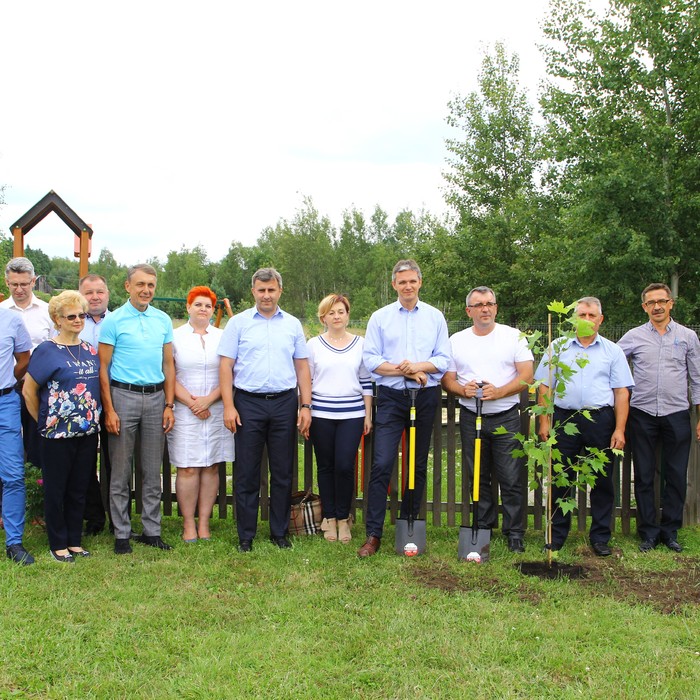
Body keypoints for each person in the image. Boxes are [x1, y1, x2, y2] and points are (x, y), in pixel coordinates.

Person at [358, 259, 451, 557]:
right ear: (394, 285)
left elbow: (443, 360)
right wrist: (407, 372)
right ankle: (373, 534)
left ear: (419, 283)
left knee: (417, 464)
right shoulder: (380, 317)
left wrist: (418, 367)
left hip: (425, 397)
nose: (407, 286)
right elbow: (371, 360)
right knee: (383, 463)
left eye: (412, 281)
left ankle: (409, 526)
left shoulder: (435, 317)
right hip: (391, 398)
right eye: (402, 282)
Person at [219, 268, 312, 552]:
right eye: (261, 290)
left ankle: (279, 532)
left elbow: (302, 366)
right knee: (247, 472)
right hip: (248, 403)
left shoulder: (293, 324)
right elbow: (225, 365)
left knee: (283, 472)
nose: (266, 295)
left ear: (279, 291)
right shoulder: (238, 323)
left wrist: (305, 405)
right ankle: (245, 535)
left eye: (271, 290)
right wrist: (228, 406)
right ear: (253, 292)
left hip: (285, 402)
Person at [535, 297, 633, 556]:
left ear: (600, 320)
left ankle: (600, 537)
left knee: (602, 480)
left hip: (600, 420)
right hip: (565, 419)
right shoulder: (558, 347)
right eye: (582, 315)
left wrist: (619, 429)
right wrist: (544, 421)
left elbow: (621, 392)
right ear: (573, 319)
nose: (587, 319)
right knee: (561, 477)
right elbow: (544, 385)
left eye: (592, 315)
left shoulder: (612, 351)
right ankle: (556, 536)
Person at [441, 286, 533, 553]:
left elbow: (526, 374)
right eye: (479, 304)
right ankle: (483, 525)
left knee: (511, 476)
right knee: (478, 475)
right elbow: (448, 379)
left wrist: (499, 392)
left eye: (490, 304)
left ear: (496, 308)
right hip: (472, 416)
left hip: (506, 417)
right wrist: (462, 389)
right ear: (469, 310)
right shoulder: (456, 340)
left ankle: (514, 531)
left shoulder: (513, 336)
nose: (485, 309)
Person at [98, 264, 176, 554]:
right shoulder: (114, 321)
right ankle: (121, 534)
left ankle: (152, 531)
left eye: (151, 285)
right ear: (127, 287)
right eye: (140, 284)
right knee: (120, 471)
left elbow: (168, 364)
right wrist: (109, 409)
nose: (146, 290)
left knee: (151, 470)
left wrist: (169, 404)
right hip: (123, 396)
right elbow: (103, 369)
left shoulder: (163, 320)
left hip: (156, 398)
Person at [618, 283, 700, 553]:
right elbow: (615, 366)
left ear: (671, 303)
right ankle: (648, 533)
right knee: (643, 475)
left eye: (662, 301)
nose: (657, 307)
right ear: (644, 307)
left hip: (677, 413)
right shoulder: (633, 337)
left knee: (675, 475)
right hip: (642, 414)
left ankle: (670, 531)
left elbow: (697, 379)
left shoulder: (688, 337)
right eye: (651, 303)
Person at [23, 291, 101, 563]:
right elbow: (29, 391)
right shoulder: (46, 350)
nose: (78, 320)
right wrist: (42, 421)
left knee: (79, 488)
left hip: (87, 432)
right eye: (71, 316)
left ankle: (75, 540)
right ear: (57, 319)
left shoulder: (90, 349)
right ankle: (58, 543)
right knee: (56, 490)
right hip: (56, 434)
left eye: (82, 315)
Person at [169, 286, 234, 542]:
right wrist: (193, 403)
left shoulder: (223, 336)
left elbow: (230, 371)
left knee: (211, 466)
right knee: (187, 468)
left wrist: (209, 400)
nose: (203, 309)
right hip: (186, 409)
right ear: (188, 307)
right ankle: (188, 524)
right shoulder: (175, 337)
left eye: (208, 305)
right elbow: (169, 373)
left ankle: (204, 522)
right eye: (198, 304)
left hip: (216, 406)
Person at [307, 294, 373, 543]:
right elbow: (307, 381)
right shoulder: (313, 345)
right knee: (325, 467)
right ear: (323, 317)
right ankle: (330, 518)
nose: (336, 316)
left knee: (345, 467)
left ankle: (344, 518)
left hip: (352, 414)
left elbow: (366, 381)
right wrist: (305, 411)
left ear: (347, 315)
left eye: (341, 312)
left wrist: (367, 414)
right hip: (321, 414)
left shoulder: (360, 343)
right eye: (331, 312)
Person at [1, 257, 53, 473]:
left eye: (24, 284)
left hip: (39, 387)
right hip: (8, 388)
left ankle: (36, 492)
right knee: (7, 448)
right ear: (6, 283)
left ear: (33, 281)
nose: (19, 289)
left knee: (36, 443)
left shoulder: (47, 311)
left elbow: (54, 348)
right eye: (14, 284)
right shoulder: (2, 312)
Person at [0, 307, 34, 565]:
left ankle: (14, 542)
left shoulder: (11, 319)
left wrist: (8, 380)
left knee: (13, 474)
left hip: (5, 402)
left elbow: (24, 358)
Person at [78, 273, 111, 535]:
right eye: (89, 292)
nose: (95, 297)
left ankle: (118, 516)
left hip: (115, 397)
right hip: (82, 400)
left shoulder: (118, 320)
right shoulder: (74, 322)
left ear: (108, 293)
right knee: (85, 461)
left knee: (115, 460)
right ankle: (93, 516)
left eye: (99, 291)